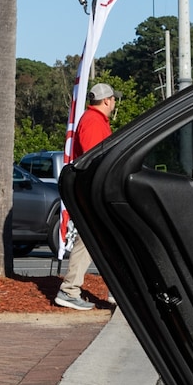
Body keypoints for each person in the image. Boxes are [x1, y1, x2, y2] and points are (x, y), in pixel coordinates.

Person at [52, 80, 118, 311]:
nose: (114, 103)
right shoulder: (93, 122)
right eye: (114, 99)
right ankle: (69, 290)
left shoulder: (93, 120)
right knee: (93, 240)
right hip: (93, 192)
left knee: (100, 240)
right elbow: (94, 160)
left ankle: (113, 291)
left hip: (92, 191)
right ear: (107, 100)